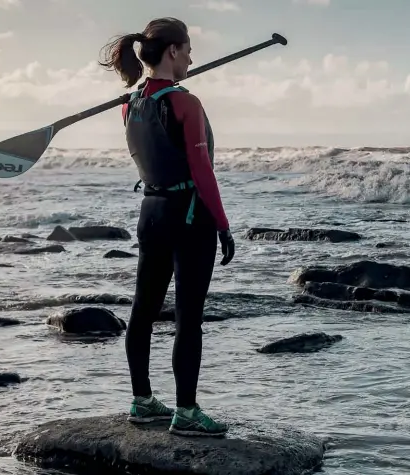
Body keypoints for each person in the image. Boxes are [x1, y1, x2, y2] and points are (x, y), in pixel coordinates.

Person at [98, 17, 235, 437]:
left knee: (143, 309)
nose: (193, 57)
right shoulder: (186, 103)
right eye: (189, 49)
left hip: (151, 212)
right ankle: (187, 412)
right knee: (187, 318)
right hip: (188, 216)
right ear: (173, 50)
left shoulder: (130, 104)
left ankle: (142, 402)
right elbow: (202, 170)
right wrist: (223, 225)